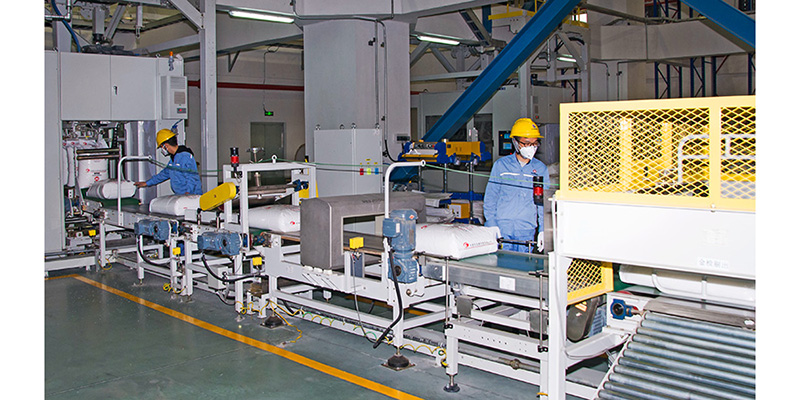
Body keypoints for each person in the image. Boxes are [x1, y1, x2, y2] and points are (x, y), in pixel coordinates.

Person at [483, 118, 550, 253]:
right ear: (515, 142)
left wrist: (543, 230)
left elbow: (543, 204)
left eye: (534, 143)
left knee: (523, 264)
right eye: (526, 143)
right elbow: (491, 198)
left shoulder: (540, 169)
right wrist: (491, 224)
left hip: (526, 229)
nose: (531, 147)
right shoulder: (501, 166)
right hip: (502, 228)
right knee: (502, 263)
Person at [135, 129, 202, 195]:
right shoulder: (173, 159)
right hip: (180, 195)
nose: (162, 150)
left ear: (166, 145)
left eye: (162, 147)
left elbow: (192, 177)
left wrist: (188, 193)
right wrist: (147, 183)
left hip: (191, 196)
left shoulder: (185, 156)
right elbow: (164, 174)